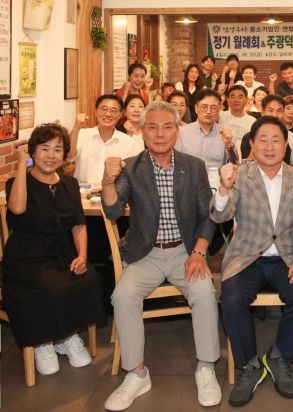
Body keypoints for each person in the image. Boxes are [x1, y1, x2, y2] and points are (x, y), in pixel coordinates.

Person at [102, 101, 221, 410]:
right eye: (152, 127)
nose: (159, 134)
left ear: (177, 130)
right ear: (142, 132)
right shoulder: (131, 167)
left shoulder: (193, 166)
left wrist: (199, 251)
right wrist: (107, 180)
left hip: (185, 252)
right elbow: (113, 210)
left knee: (204, 293)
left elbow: (208, 215)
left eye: (167, 127)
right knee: (123, 296)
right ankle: (136, 373)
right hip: (146, 254)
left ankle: (206, 367)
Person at [210, 116, 293, 407]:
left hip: (288, 257)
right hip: (247, 256)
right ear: (252, 144)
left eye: (276, 140)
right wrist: (223, 188)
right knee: (231, 298)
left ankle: (279, 356)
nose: (269, 147)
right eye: (263, 140)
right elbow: (219, 216)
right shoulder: (239, 175)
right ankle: (249, 365)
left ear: (286, 146)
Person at [2, 124, 105, 375]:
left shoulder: (70, 183)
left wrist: (82, 256)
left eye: (57, 149)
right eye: (44, 149)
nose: (51, 155)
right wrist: (21, 164)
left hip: (62, 253)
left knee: (90, 278)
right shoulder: (18, 181)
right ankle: (42, 341)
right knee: (50, 285)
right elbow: (17, 209)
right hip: (26, 257)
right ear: (33, 153)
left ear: (64, 154)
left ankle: (66, 335)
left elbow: (78, 225)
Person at [69, 94, 137, 185]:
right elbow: (69, 156)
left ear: (120, 115)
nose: (108, 114)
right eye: (104, 109)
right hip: (83, 191)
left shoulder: (128, 142)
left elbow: (130, 174)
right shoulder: (82, 135)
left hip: (113, 191)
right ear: (96, 111)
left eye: (113, 111)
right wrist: (76, 127)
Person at [176, 88, 238, 169]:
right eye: (204, 107)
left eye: (213, 107)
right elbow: (175, 162)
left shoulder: (225, 134)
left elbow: (235, 164)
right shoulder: (182, 132)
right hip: (189, 176)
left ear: (219, 109)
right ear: (196, 108)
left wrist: (229, 144)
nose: (208, 111)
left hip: (216, 177)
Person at [240, 94, 293, 168]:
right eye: (270, 110)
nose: (275, 115)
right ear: (262, 112)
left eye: (279, 111)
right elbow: (246, 168)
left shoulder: (289, 135)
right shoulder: (249, 137)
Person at [219, 85, 257, 158]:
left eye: (240, 97)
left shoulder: (253, 121)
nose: (236, 100)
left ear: (246, 100)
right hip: (224, 159)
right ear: (227, 100)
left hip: (246, 160)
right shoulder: (220, 115)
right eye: (233, 96)